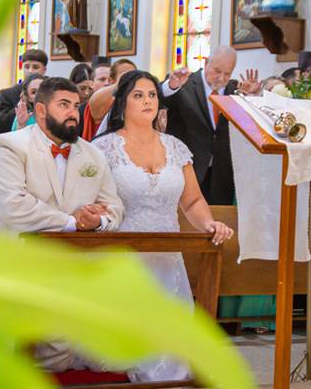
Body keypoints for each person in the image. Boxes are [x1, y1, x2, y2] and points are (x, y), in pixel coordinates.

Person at [92, 70, 232, 383]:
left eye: (152, 95)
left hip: (169, 261)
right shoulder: (104, 149)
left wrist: (208, 224)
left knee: (173, 355)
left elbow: (193, 202)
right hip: (122, 258)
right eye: (138, 95)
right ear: (122, 104)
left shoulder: (175, 148)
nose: (147, 101)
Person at [0, 77, 125, 372]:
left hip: (66, 270)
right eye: (64, 105)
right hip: (9, 262)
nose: (73, 112)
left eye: (75, 105)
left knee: (59, 354)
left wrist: (98, 220)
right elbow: (13, 207)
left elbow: (115, 207)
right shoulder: (8, 146)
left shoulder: (92, 154)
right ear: (41, 110)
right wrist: (73, 222)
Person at [161, 46, 260, 205]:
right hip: (188, 170)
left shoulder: (235, 90)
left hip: (222, 173)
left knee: (220, 221)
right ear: (206, 63)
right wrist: (171, 86)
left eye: (227, 73)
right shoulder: (184, 83)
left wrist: (251, 98)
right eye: (217, 71)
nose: (221, 78)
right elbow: (161, 100)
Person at [0, 49, 48, 135]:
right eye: (26, 66)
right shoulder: (7, 94)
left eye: (35, 67)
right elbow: (0, 126)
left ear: (44, 69)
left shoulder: (53, 91)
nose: (30, 71)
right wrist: (22, 103)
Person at [82, 58, 137, 140]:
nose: (131, 78)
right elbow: (95, 102)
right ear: (111, 81)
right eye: (125, 74)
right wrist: (121, 83)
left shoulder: (136, 103)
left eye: (134, 75)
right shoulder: (101, 101)